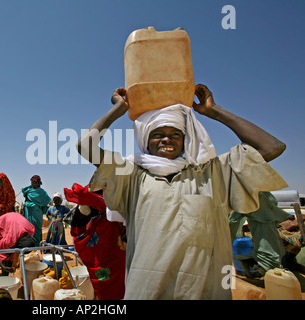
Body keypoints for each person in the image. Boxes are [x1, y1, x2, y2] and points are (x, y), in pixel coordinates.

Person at [77, 85, 287, 299]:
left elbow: (272, 148)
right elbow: (86, 146)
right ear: (146, 141)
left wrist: (214, 111)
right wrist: (119, 109)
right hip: (146, 292)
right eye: (158, 134)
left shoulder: (213, 174)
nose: (167, 139)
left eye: (175, 134)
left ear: (184, 140)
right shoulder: (132, 176)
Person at [64, 183, 126, 300]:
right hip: (105, 256)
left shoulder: (113, 207)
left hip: (112, 256)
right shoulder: (109, 207)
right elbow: (77, 231)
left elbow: (76, 232)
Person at [229, 191, 292, 278]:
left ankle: (266, 272)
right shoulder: (258, 196)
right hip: (262, 226)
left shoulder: (257, 195)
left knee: (272, 251)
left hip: (266, 226)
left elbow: (233, 220)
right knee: (270, 251)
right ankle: (267, 272)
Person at [22, 175, 52, 244]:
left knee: (36, 228)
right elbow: (23, 191)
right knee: (27, 227)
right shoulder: (28, 191)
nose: (34, 183)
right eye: (32, 182)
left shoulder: (42, 192)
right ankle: (29, 244)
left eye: (35, 182)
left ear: (39, 183)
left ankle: (37, 244)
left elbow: (48, 202)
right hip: (27, 211)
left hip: (36, 212)